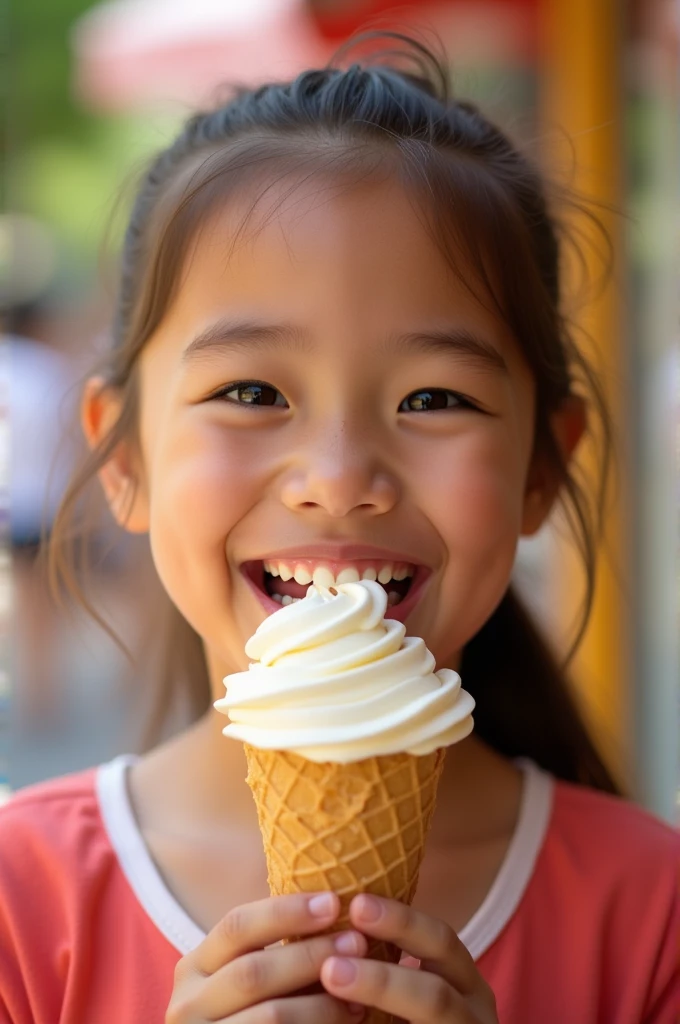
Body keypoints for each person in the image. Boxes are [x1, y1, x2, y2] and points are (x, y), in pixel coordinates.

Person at [1, 35, 678, 1024]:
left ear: (542, 463)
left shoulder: (650, 912)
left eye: (434, 396)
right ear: (127, 455)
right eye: (250, 390)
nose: (337, 478)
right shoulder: (22, 903)